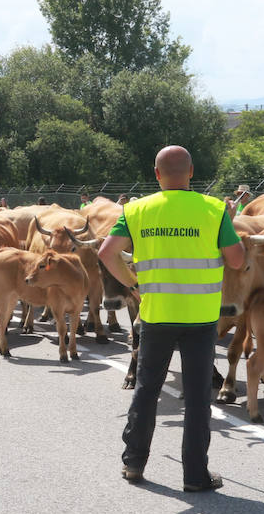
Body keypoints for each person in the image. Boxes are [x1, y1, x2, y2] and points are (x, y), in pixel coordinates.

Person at [98, 146, 245, 493]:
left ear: (157, 174)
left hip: (156, 315)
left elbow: (106, 252)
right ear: (191, 172)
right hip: (200, 318)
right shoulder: (214, 209)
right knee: (196, 398)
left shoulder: (135, 210)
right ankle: (195, 476)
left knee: (147, 390)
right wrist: (228, 229)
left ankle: (133, 462)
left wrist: (133, 283)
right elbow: (237, 261)